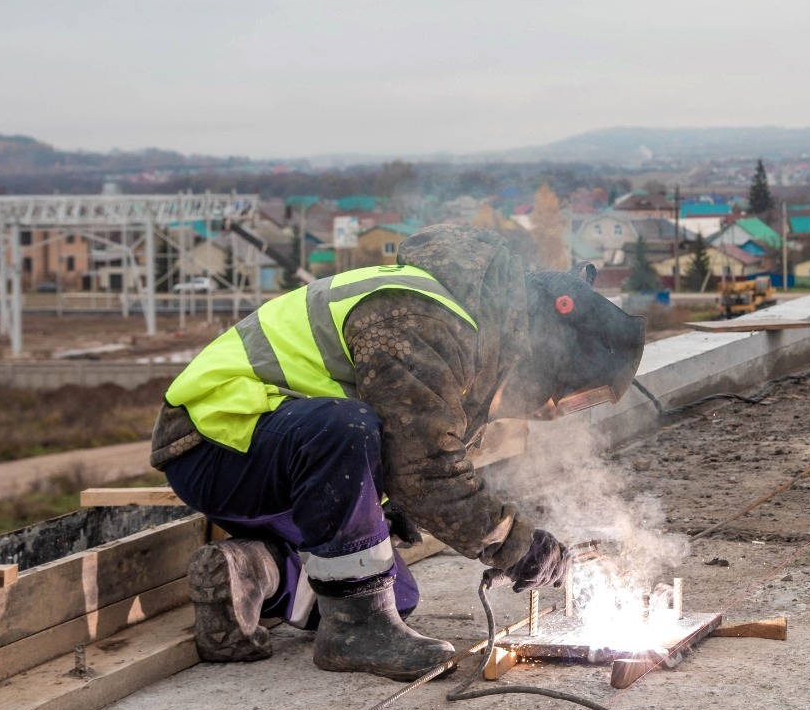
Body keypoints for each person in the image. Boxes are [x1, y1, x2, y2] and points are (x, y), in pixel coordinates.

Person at [150, 224, 646, 681]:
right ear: (546, 349)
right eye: (562, 395)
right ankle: (352, 634)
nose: (545, 405)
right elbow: (424, 469)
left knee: (392, 593)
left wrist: (383, 505)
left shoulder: (469, 330)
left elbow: (407, 449)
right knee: (345, 431)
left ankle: (255, 571)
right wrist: (516, 544)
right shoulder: (425, 318)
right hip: (215, 443)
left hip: (281, 459)